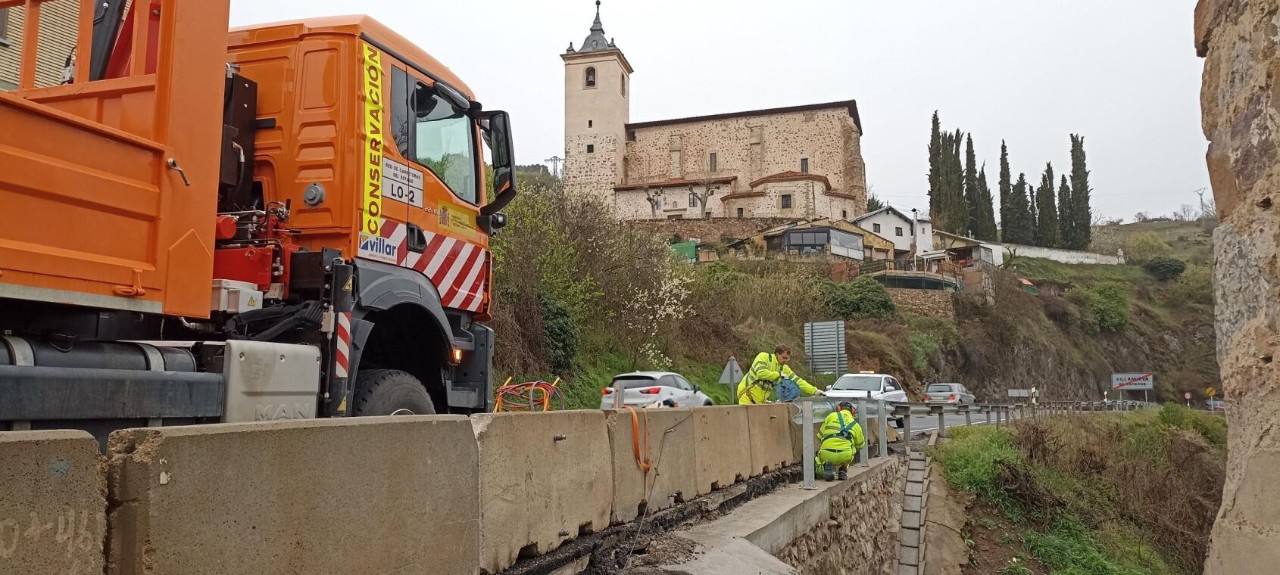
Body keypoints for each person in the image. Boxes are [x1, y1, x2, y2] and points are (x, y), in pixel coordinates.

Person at [736, 345, 824, 405]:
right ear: (777, 354)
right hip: (746, 396)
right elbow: (761, 373)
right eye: (784, 358)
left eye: (788, 359)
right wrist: (778, 374)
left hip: (760, 402)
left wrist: (814, 391)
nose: (785, 360)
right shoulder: (763, 357)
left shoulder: (784, 368)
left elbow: (798, 381)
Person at [816, 401, 865, 481]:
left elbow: (820, 436)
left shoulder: (831, 416)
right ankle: (843, 470)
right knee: (853, 448)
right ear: (853, 412)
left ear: (838, 408)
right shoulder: (855, 424)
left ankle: (826, 466)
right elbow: (860, 445)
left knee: (821, 452)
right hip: (845, 455)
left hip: (827, 455)